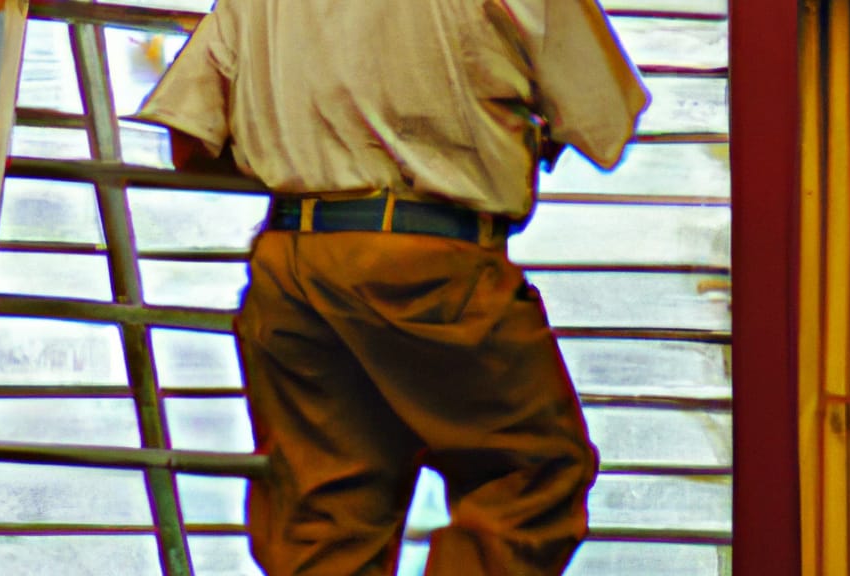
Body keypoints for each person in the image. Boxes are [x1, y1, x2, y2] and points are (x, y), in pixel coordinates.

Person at [136, 1, 648, 574]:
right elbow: (604, 117)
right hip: (428, 263)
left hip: (293, 265)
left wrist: (317, 149)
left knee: (328, 521)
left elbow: (192, 144)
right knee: (533, 473)